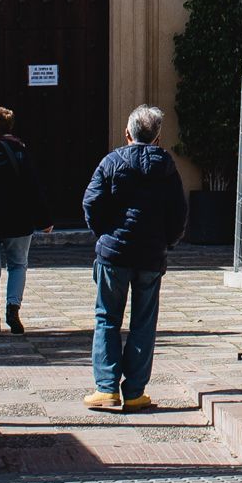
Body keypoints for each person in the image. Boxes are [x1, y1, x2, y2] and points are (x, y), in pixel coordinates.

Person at [79, 105, 186, 415]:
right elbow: (179, 212)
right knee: (144, 323)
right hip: (151, 254)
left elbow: (91, 203)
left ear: (127, 133)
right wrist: (167, 242)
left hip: (114, 253)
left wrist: (104, 235)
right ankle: (135, 392)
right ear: (157, 137)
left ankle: (106, 388)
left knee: (107, 318)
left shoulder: (111, 162)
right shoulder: (167, 167)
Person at [0, 106, 47, 337]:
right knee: (18, 265)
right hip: (18, 221)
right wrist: (44, 219)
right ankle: (13, 309)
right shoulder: (19, 150)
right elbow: (33, 186)